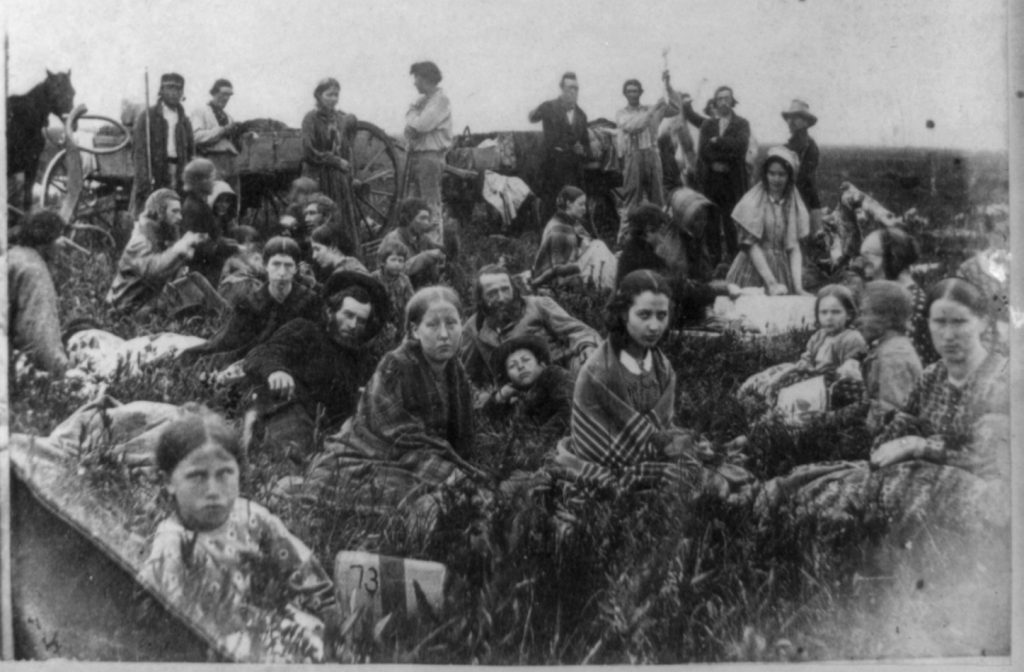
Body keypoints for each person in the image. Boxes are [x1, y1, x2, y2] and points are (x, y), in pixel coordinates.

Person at [756, 278, 1008, 539]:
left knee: (857, 496)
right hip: (917, 470)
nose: (947, 334)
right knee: (810, 481)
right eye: (939, 322)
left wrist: (918, 446)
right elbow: (903, 420)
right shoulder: (934, 374)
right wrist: (885, 443)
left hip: (977, 491)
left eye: (959, 322)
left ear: (983, 323)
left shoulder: (1003, 380)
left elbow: (993, 458)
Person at [140, 405, 340, 662]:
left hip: (273, 626)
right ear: (168, 481)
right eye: (197, 476)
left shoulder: (253, 518)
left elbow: (303, 570)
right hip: (213, 644)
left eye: (224, 473)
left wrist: (329, 615)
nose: (213, 489)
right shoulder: (172, 543)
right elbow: (174, 618)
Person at [300, 286, 478, 526]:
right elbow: (399, 438)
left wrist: (457, 470)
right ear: (415, 330)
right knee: (410, 492)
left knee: (463, 493)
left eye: (452, 323)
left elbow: (462, 438)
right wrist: (450, 473)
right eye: (433, 325)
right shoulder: (395, 365)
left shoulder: (455, 371)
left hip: (420, 458)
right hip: (368, 455)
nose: (444, 334)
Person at [552, 270, 736, 495]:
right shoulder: (599, 371)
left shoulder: (662, 366)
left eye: (661, 315)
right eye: (644, 315)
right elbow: (603, 444)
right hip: (608, 457)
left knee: (712, 473)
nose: (654, 326)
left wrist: (679, 443)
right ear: (623, 314)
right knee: (694, 478)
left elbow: (661, 427)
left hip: (650, 452)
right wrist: (671, 448)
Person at [242, 272, 388, 460]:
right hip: (290, 411)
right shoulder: (306, 331)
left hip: (332, 429)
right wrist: (276, 371)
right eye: (348, 315)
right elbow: (261, 353)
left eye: (361, 321)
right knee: (294, 458)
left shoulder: (362, 359)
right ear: (330, 312)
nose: (353, 325)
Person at [179, 237, 324, 368]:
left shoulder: (310, 301)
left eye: (288, 266)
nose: (281, 272)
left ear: (296, 269)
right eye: (276, 264)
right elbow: (226, 341)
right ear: (266, 265)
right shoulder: (252, 303)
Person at [460, 265, 599, 385]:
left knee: (593, 369)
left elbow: (578, 330)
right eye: (492, 293)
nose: (501, 298)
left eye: (505, 289)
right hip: (517, 393)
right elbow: (468, 376)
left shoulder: (538, 305)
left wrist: (587, 346)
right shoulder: (473, 329)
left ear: (514, 289)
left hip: (562, 372)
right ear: (481, 298)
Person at [739, 284, 867, 407]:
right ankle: (751, 397)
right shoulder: (820, 336)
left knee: (789, 390)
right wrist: (793, 370)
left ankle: (777, 408)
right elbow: (807, 358)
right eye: (824, 312)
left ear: (849, 314)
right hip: (811, 373)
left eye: (836, 312)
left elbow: (849, 374)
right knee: (777, 373)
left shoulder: (851, 338)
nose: (829, 318)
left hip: (829, 384)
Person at [616, 199, 738, 326]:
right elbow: (675, 286)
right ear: (649, 231)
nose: (663, 237)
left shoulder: (635, 251)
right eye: (661, 231)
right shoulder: (643, 256)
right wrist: (714, 290)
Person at [726, 147, 810, 295]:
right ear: (765, 174)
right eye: (772, 173)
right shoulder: (753, 202)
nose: (776, 179)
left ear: (789, 177)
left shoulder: (793, 203)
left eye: (781, 174)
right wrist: (771, 283)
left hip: (782, 269)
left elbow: (793, 247)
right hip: (754, 268)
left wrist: (798, 287)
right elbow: (751, 245)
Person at [106, 188, 206, 313]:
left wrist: (185, 254)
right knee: (193, 299)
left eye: (180, 212)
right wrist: (179, 248)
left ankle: (225, 314)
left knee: (195, 280)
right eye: (174, 212)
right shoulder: (140, 239)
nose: (180, 217)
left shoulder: (161, 235)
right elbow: (153, 270)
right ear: (160, 212)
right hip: (127, 306)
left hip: (146, 300)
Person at [856, 226, 939, 365]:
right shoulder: (886, 299)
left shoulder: (913, 305)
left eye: (868, 256)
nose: (862, 265)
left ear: (893, 258)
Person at [693, 85, 751, 266]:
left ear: (733, 101)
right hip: (712, 180)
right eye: (720, 99)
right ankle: (714, 261)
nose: (724, 102)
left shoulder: (742, 123)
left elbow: (740, 147)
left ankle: (735, 262)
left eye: (727, 98)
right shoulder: (707, 124)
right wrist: (718, 159)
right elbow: (703, 151)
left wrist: (718, 141)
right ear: (715, 102)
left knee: (732, 220)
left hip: (732, 180)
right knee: (712, 221)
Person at [8, 211, 70, 375]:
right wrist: (62, 370)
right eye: (59, 236)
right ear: (45, 240)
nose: (64, 243)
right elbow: (41, 339)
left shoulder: (14, 255)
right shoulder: (34, 270)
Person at [301, 78, 357, 248]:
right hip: (318, 176)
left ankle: (342, 254)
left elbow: (346, 149)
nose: (333, 98)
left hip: (338, 180)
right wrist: (334, 160)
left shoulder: (340, 120)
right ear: (319, 95)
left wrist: (349, 173)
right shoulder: (311, 118)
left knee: (341, 219)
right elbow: (309, 151)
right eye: (329, 94)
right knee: (319, 218)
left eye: (336, 95)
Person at [529, 72, 592, 223]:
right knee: (550, 205)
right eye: (570, 87)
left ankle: (569, 236)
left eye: (576, 88)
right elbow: (531, 118)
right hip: (552, 166)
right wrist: (539, 108)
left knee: (572, 207)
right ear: (561, 88)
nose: (573, 91)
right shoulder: (549, 107)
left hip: (573, 169)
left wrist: (582, 150)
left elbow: (586, 145)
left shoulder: (582, 115)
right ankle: (547, 238)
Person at [481, 334, 574, 437]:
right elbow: (489, 423)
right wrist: (500, 396)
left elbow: (569, 409)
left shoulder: (554, 375)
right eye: (512, 366)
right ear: (508, 377)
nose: (520, 367)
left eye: (526, 360)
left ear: (541, 363)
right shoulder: (515, 396)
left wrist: (540, 438)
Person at [404, 61, 453, 249]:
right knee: (415, 205)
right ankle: (418, 248)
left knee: (430, 206)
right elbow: (412, 128)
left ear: (425, 78)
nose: (414, 83)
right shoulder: (424, 101)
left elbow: (420, 126)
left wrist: (413, 114)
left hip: (430, 157)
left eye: (416, 78)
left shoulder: (440, 100)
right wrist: (414, 120)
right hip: (419, 157)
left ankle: (435, 253)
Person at [131, 72, 194, 216]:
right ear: (161, 90)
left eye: (178, 89)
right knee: (151, 212)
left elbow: (191, 152)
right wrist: (144, 180)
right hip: (156, 171)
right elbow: (139, 152)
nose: (174, 93)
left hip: (178, 171)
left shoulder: (184, 120)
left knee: (174, 211)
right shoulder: (148, 117)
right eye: (170, 88)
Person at [615, 78, 674, 213]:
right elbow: (635, 125)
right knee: (632, 199)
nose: (632, 94)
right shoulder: (621, 113)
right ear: (625, 94)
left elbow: (676, 108)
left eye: (635, 91)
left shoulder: (649, 109)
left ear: (640, 93)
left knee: (657, 198)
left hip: (652, 155)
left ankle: (658, 230)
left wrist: (668, 86)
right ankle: (630, 232)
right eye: (629, 91)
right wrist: (654, 108)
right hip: (633, 156)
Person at [180, 158, 239, 286]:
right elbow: (198, 245)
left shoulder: (200, 204)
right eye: (211, 177)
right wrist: (226, 247)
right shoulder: (194, 208)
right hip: (202, 273)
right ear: (201, 182)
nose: (214, 182)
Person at [379, 197, 446, 288]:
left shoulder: (420, 237)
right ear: (408, 219)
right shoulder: (393, 240)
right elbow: (395, 270)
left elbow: (438, 248)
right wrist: (425, 257)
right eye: (422, 218)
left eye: (427, 219)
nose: (426, 223)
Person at [190, 78, 241, 198]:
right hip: (211, 161)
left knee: (232, 197)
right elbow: (196, 137)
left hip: (230, 163)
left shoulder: (228, 117)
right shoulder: (200, 112)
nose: (226, 98)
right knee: (214, 197)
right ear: (213, 93)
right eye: (223, 94)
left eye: (229, 95)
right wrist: (222, 131)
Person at [531, 186, 587, 288]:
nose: (584, 209)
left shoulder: (572, 223)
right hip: (551, 280)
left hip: (567, 271)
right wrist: (583, 263)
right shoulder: (558, 228)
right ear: (569, 204)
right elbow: (557, 269)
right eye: (581, 204)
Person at [782, 99, 823, 234]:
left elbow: (804, 178)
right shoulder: (793, 143)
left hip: (801, 200)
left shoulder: (807, 145)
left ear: (806, 122)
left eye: (796, 118)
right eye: (789, 118)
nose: (791, 121)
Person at [371, 238, 415, 333]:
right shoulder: (374, 278)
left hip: (400, 322)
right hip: (380, 320)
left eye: (401, 261)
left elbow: (411, 301)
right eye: (393, 260)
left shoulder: (404, 280)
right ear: (383, 262)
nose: (397, 264)